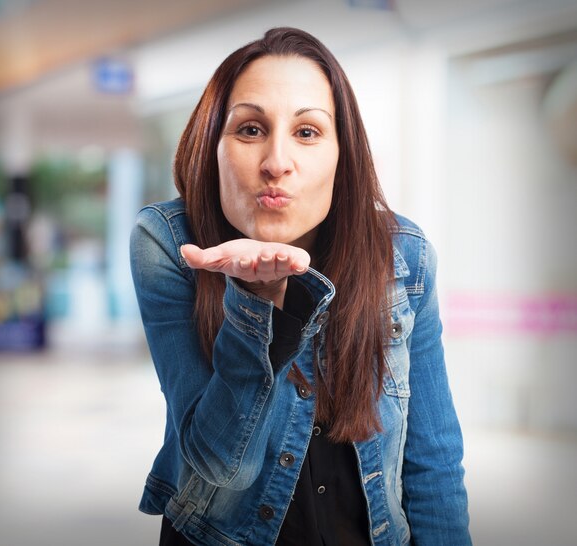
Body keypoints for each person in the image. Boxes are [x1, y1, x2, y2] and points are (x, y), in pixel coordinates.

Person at [130, 27, 471, 546]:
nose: (276, 162)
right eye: (249, 130)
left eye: (307, 132)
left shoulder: (402, 254)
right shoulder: (170, 244)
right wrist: (254, 301)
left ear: (342, 153)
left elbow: (433, 462)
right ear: (212, 146)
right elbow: (221, 464)